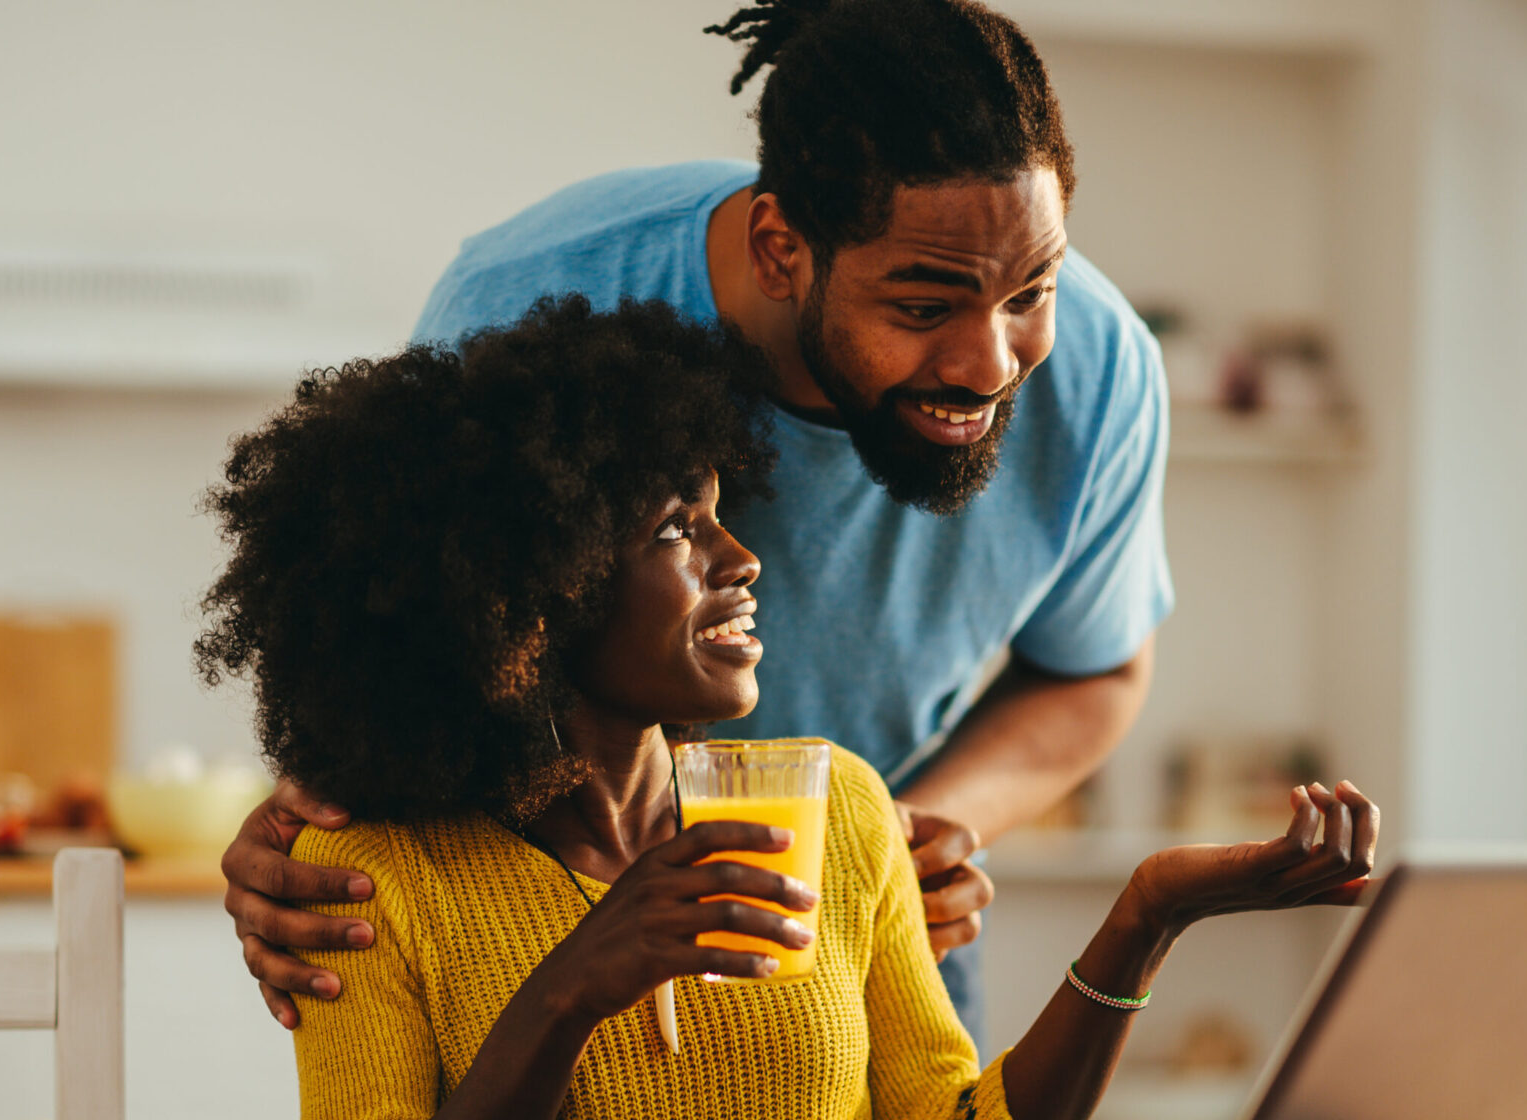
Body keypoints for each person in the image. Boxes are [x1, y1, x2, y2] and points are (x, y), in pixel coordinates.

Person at [196, 296, 1378, 1120]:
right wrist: (573, 985)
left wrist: (1143, 920)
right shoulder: (372, 881)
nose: (740, 556)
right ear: (532, 596)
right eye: (676, 528)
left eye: (721, 510)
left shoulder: (840, 806)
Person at [222, 0, 1172, 1043]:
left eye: (1031, 290)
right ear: (780, 248)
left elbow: (1095, 670)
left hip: (853, 943)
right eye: (922, 307)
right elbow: (399, 644)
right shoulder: (538, 298)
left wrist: (904, 839)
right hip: (546, 953)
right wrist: (316, 813)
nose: (990, 365)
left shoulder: (1101, 369)